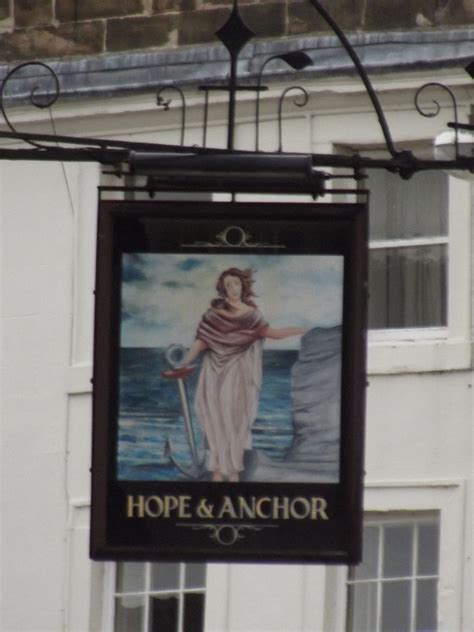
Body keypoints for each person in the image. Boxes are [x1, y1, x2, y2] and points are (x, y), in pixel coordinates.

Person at [180, 267, 307, 482]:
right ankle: (218, 473)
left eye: (236, 283)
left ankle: (234, 474)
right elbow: (201, 342)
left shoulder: (252, 315)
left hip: (237, 373)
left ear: (243, 285)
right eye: (228, 285)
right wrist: (183, 363)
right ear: (223, 289)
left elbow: (272, 333)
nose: (233, 288)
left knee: (233, 420)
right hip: (212, 372)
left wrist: (302, 330)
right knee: (214, 419)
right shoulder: (213, 315)